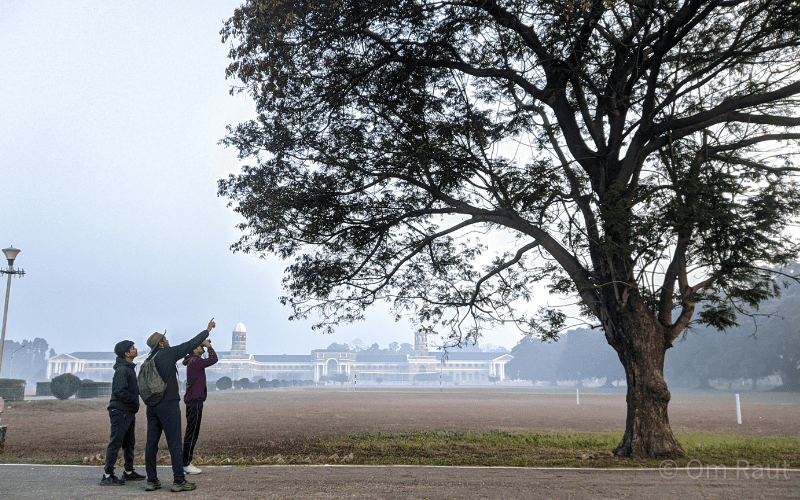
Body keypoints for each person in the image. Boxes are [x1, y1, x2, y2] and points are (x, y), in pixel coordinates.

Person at [143, 318, 215, 492]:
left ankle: (152, 480)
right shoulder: (166, 354)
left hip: (152, 406)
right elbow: (189, 344)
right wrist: (207, 330)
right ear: (160, 343)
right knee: (174, 442)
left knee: (151, 444)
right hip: (168, 404)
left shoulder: (148, 359)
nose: (168, 341)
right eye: (165, 339)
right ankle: (178, 481)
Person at [100, 340, 145, 485]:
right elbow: (119, 391)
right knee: (116, 442)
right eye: (133, 348)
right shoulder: (123, 370)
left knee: (128, 443)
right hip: (120, 411)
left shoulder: (128, 368)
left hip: (127, 411)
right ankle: (107, 475)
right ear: (127, 353)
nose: (135, 349)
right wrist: (133, 400)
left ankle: (128, 472)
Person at [181, 338, 218, 475]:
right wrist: (209, 347)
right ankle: (185, 464)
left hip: (193, 401)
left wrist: (206, 346)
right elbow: (213, 360)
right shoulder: (195, 361)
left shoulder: (192, 361)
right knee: (192, 432)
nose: (202, 347)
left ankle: (185, 462)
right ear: (194, 350)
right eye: (200, 346)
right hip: (195, 401)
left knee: (191, 432)